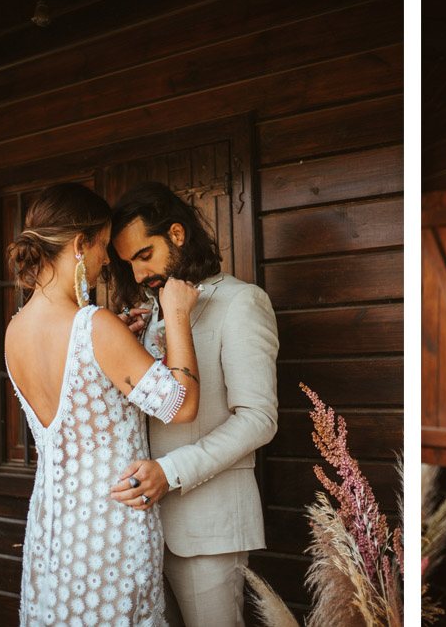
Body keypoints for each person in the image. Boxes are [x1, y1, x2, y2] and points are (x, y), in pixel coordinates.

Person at [5, 183, 201, 626]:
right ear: (79, 245)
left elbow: (82, 396)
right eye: (101, 248)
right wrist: (178, 317)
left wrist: (121, 344)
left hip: (53, 532)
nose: (106, 263)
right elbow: (180, 404)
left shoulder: (15, 329)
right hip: (110, 531)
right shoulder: (94, 325)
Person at [107, 183, 278, 627]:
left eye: (145, 255)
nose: (140, 274)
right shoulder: (152, 312)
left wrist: (172, 471)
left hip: (209, 528)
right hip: (143, 527)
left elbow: (258, 419)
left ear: (178, 235)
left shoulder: (242, 302)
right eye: (129, 263)